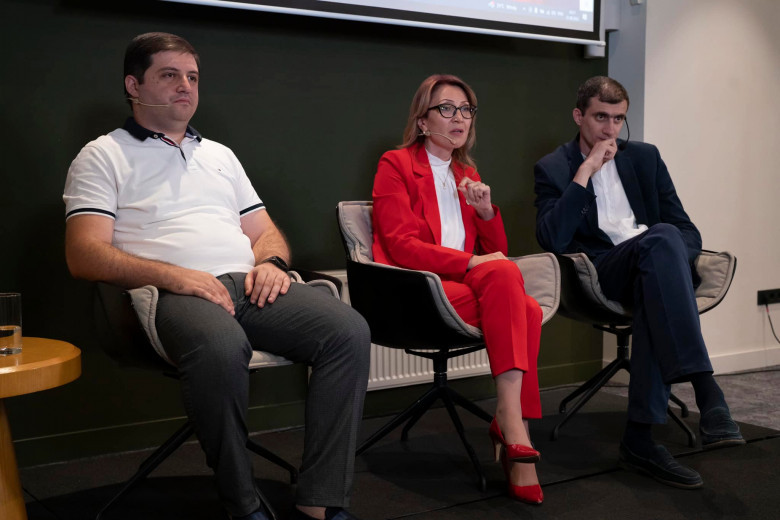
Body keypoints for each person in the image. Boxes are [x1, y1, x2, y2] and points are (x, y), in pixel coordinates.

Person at [63, 32, 370, 520]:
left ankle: (321, 499)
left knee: (347, 330)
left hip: (246, 285)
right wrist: (176, 277)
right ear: (133, 85)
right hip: (167, 295)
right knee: (222, 345)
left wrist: (271, 263)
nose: (185, 86)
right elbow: (83, 254)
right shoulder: (103, 155)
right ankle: (242, 503)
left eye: (192, 77)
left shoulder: (220, 155)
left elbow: (265, 231)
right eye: (169, 75)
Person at [533, 76, 744, 489]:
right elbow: (551, 238)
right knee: (660, 238)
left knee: (661, 253)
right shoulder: (554, 167)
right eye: (600, 117)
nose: (610, 129)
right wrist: (586, 171)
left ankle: (640, 439)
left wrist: (669, 260)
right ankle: (707, 390)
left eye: (618, 119)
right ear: (579, 116)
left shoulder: (645, 158)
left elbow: (687, 230)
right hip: (602, 271)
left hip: (653, 267)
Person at [371, 74, 544, 505]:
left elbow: (497, 252)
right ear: (423, 120)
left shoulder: (467, 173)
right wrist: (469, 262)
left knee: (515, 291)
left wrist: (484, 212)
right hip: (414, 289)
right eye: (446, 108)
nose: (459, 117)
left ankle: (511, 422)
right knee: (526, 310)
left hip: (462, 288)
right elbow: (401, 246)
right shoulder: (396, 164)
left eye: (466, 110)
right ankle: (514, 424)